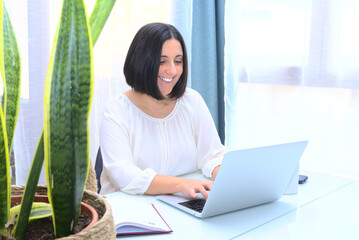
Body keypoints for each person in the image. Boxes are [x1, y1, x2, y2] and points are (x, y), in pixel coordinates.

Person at [99, 22, 226, 199]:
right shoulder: (116, 109)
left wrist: (229, 177)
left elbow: (212, 155)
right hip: (129, 210)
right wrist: (181, 185)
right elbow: (123, 174)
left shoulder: (192, 101)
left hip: (181, 204)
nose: (172, 70)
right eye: (162, 61)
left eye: (178, 61)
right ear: (141, 61)